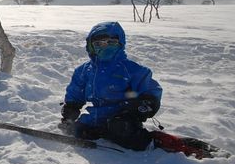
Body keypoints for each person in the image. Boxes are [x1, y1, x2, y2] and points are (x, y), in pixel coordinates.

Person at [59, 21, 163, 151]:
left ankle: (155, 141)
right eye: (99, 44)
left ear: (120, 45)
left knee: (124, 133)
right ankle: (99, 132)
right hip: (95, 116)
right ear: (91, 47)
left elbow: (151, 90)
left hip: (123, 117)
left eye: (111, 43)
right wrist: (71, 108)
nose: (105, 48)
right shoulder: (84, 71)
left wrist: (143, 106)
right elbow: (76, 91)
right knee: (76, 131)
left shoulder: (132, 70)